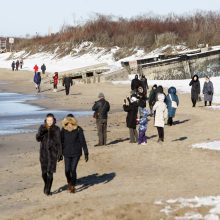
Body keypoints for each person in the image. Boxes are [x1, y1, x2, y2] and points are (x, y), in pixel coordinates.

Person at [61, 114, 89, 193]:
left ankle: (72, 186)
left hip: (76, 153)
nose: (69, 122)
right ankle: (69, 182)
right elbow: (60, 141)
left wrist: (86, 152)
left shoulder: (78, 129)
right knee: (67, 170)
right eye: (68, 120)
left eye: (71, 120)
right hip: (66, 153)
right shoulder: (63, 129)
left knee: (73, 169)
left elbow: (82, 141)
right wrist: (59, 152)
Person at [36, 113, 62, 196]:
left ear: (54, 120)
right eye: (48, 120)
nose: (49, 122)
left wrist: (60, 153)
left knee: (50, 172)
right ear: (46, 120)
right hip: (43, 154)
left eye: (51, 120)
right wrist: (41, 132)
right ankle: (46, 184)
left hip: (52, 154)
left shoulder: (57, 129)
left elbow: (59, 142)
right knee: (44, 173)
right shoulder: (42, 127)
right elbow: (37, 139)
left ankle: (48, 190)